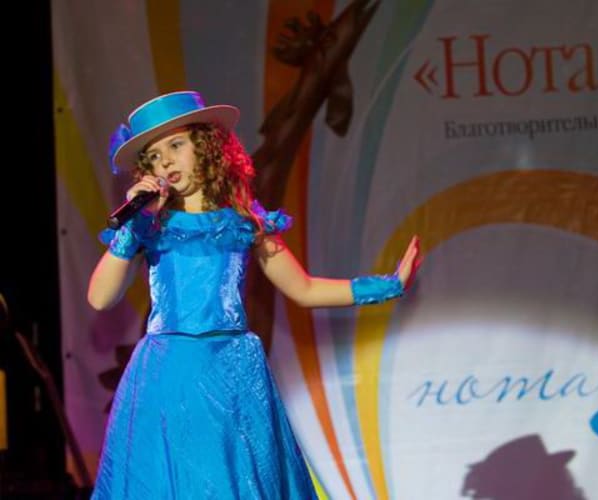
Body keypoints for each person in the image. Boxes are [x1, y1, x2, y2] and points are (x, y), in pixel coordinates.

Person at [87, 90, 421, 499]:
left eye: (176, 145)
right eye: (154, 156)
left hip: (232, 370)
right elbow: (100, 297)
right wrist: (134, 226)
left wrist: (389, 285)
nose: (166, 162)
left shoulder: (244, 221)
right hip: (170, 371)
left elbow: (304, 288)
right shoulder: (149, 226)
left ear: (207, 147)